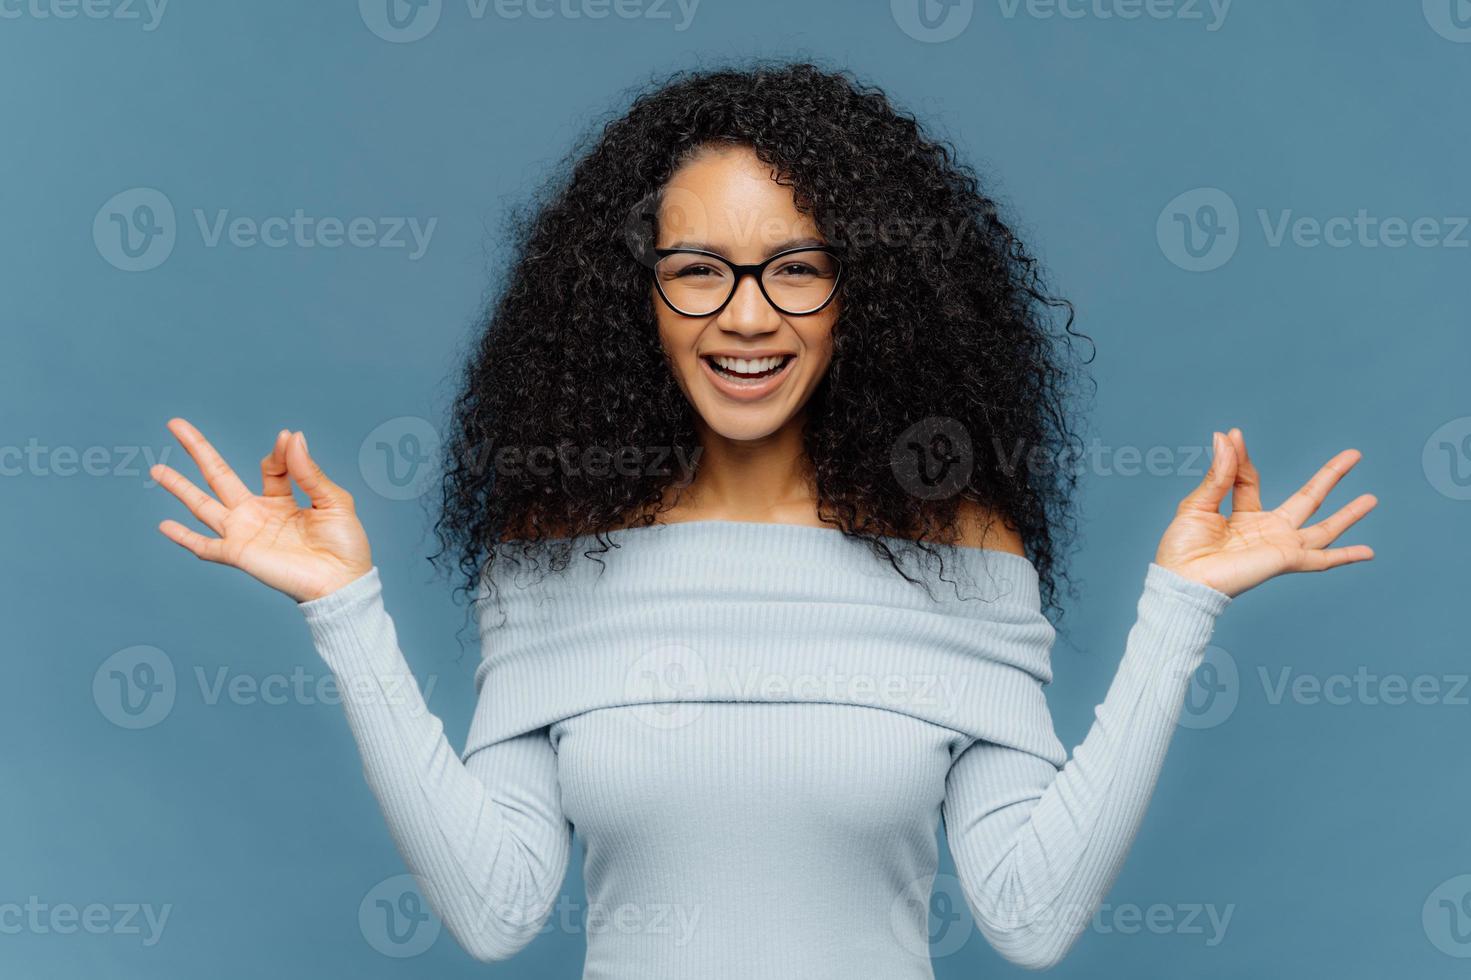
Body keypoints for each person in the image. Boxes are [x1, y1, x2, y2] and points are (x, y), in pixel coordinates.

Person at [150, 63, 1375, 978]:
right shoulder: (555, 552)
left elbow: (1031, 911)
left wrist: (1179, 608)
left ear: (865, 295)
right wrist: (346, 612)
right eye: (699, 268)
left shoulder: (963, 555)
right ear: (636, 298)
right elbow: (493, 905)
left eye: (797, 266)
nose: (747, 316)